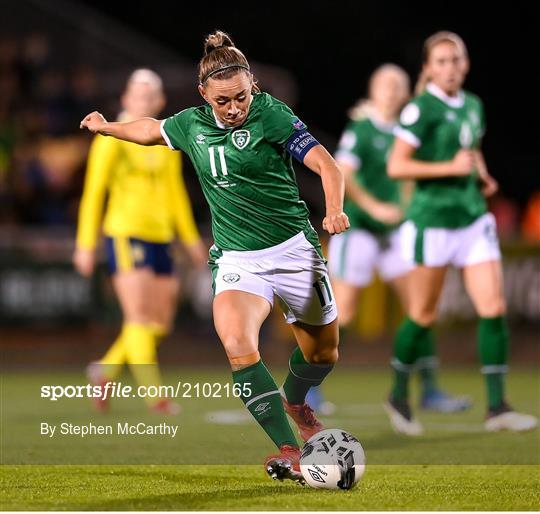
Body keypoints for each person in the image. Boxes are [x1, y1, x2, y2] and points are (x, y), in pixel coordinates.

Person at [79, 31, 349, 483]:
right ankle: (288, 448)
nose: (234, 108)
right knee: (238, 346)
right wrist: (108, 127)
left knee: (323, 354)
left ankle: (297, 401)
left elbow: (327, 165)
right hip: (238, 261)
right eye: (223, 100)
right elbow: (149, 129)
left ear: (252, 88)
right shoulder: (190, 125)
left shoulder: (272, 115)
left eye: (241, 97)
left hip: (294, 250)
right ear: (204, 94)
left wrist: (335, 209)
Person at [385, 31, 537, 433]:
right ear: (428, 68)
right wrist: (448, 169)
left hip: (471, 219)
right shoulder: (421, 110)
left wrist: (482, 175)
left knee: (494, 308)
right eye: (441, 61)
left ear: (466, 64)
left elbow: (472, 149)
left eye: (456, 60)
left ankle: (497, 407)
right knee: (422, 314)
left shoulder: (472, 105)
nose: (450, 68)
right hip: (431, 223)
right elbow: (397, 166)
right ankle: (398, 395)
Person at [318, 64, 470, 427]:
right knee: (345, 313)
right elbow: (345, 174)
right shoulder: (363, 128)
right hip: (358, 230)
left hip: (394, 233)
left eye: (396, 85)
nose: (389, 90)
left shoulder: (409, 131)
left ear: (404, 93)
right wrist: (374, 207)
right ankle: (307, 387)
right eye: (383, 84)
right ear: (372, 90)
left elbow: (410, 179)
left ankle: (430, 389)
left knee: (421, 307)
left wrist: (404, 208)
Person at [74, 69, 206, 415]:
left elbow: (176, 193)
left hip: (161, 238)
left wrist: (190, 240)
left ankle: (105, 370)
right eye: (135, 93)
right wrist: (85, 243)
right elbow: (93, 192)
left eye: (149, 94)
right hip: (125, 233)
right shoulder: (111, 136)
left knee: (159, 323)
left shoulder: (164, 139)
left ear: (159, 101)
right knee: (137, 316)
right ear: (125, 99)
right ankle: (156, 397)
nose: (141, 99)